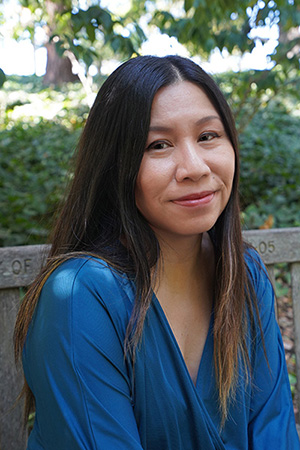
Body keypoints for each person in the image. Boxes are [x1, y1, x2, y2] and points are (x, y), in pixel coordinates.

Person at [14, 55, 299, 449]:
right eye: (158, 145)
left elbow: (275, 434)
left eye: (207, 136)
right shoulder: (81, 296)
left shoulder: (243, 274)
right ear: (117, 165)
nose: (194, 167)